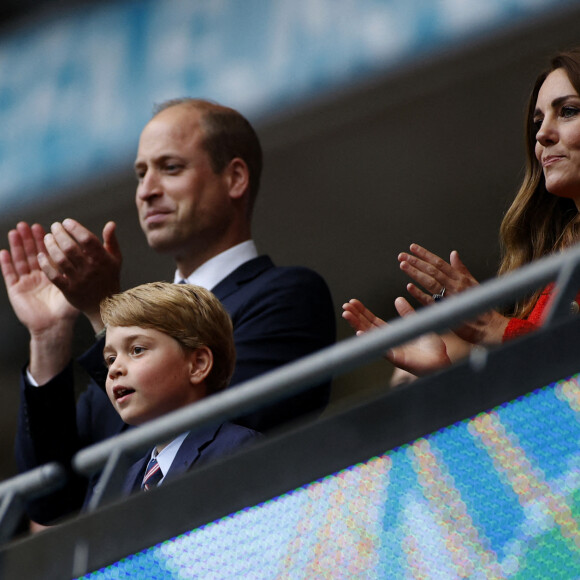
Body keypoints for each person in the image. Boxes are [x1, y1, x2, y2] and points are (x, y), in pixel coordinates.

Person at [1, 98, 335, 524]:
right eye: (141, 173)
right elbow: (50, 501)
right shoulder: (120, 355)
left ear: (234, 177)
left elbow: (204, 440)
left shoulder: (288, 295)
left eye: (170, 168)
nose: (146, 190)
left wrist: (110, 317)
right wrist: (48, 337)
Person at [343, 47, 580, 381]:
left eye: (568, 111)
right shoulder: (556, 259)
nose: (541, 135)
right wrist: (445, 377)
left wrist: (494, 327)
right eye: (538, 122)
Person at [83, 281, 260, 504]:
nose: (115, 369)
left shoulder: (237, 450)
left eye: (137, 350)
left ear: (198, 364)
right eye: (110, 359)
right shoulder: (120, 484)